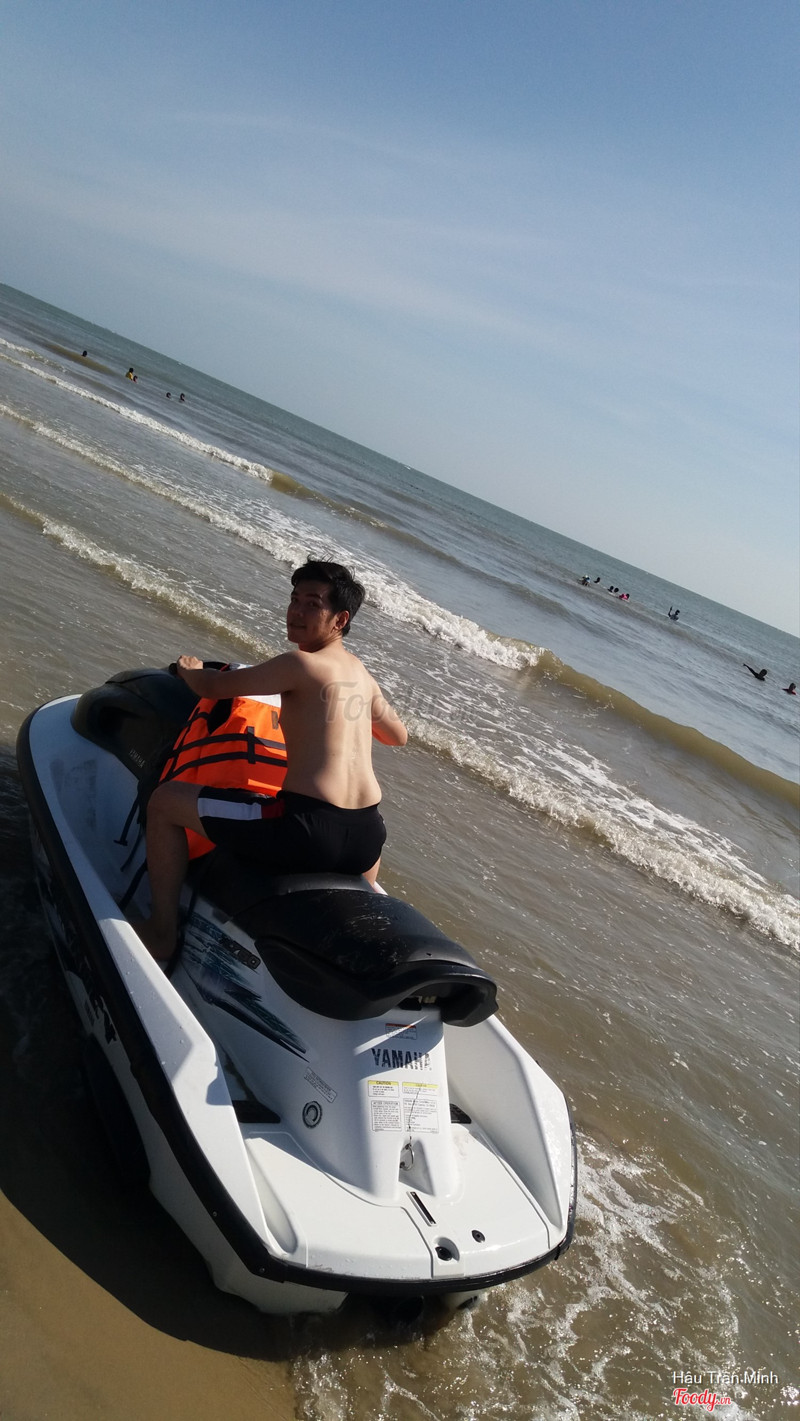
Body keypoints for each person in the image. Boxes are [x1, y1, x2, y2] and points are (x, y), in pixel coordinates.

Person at [135, 560, 408, 962]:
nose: (296, 611)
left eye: (312, 603)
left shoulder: (300, 664)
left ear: (340, 620)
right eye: (294, 599)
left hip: (306, 828)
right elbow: (397, 736)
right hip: (368, 837)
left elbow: (215, 687)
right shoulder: (362, 676)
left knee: (165, 801)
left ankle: (161, 933)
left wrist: (190, 670)